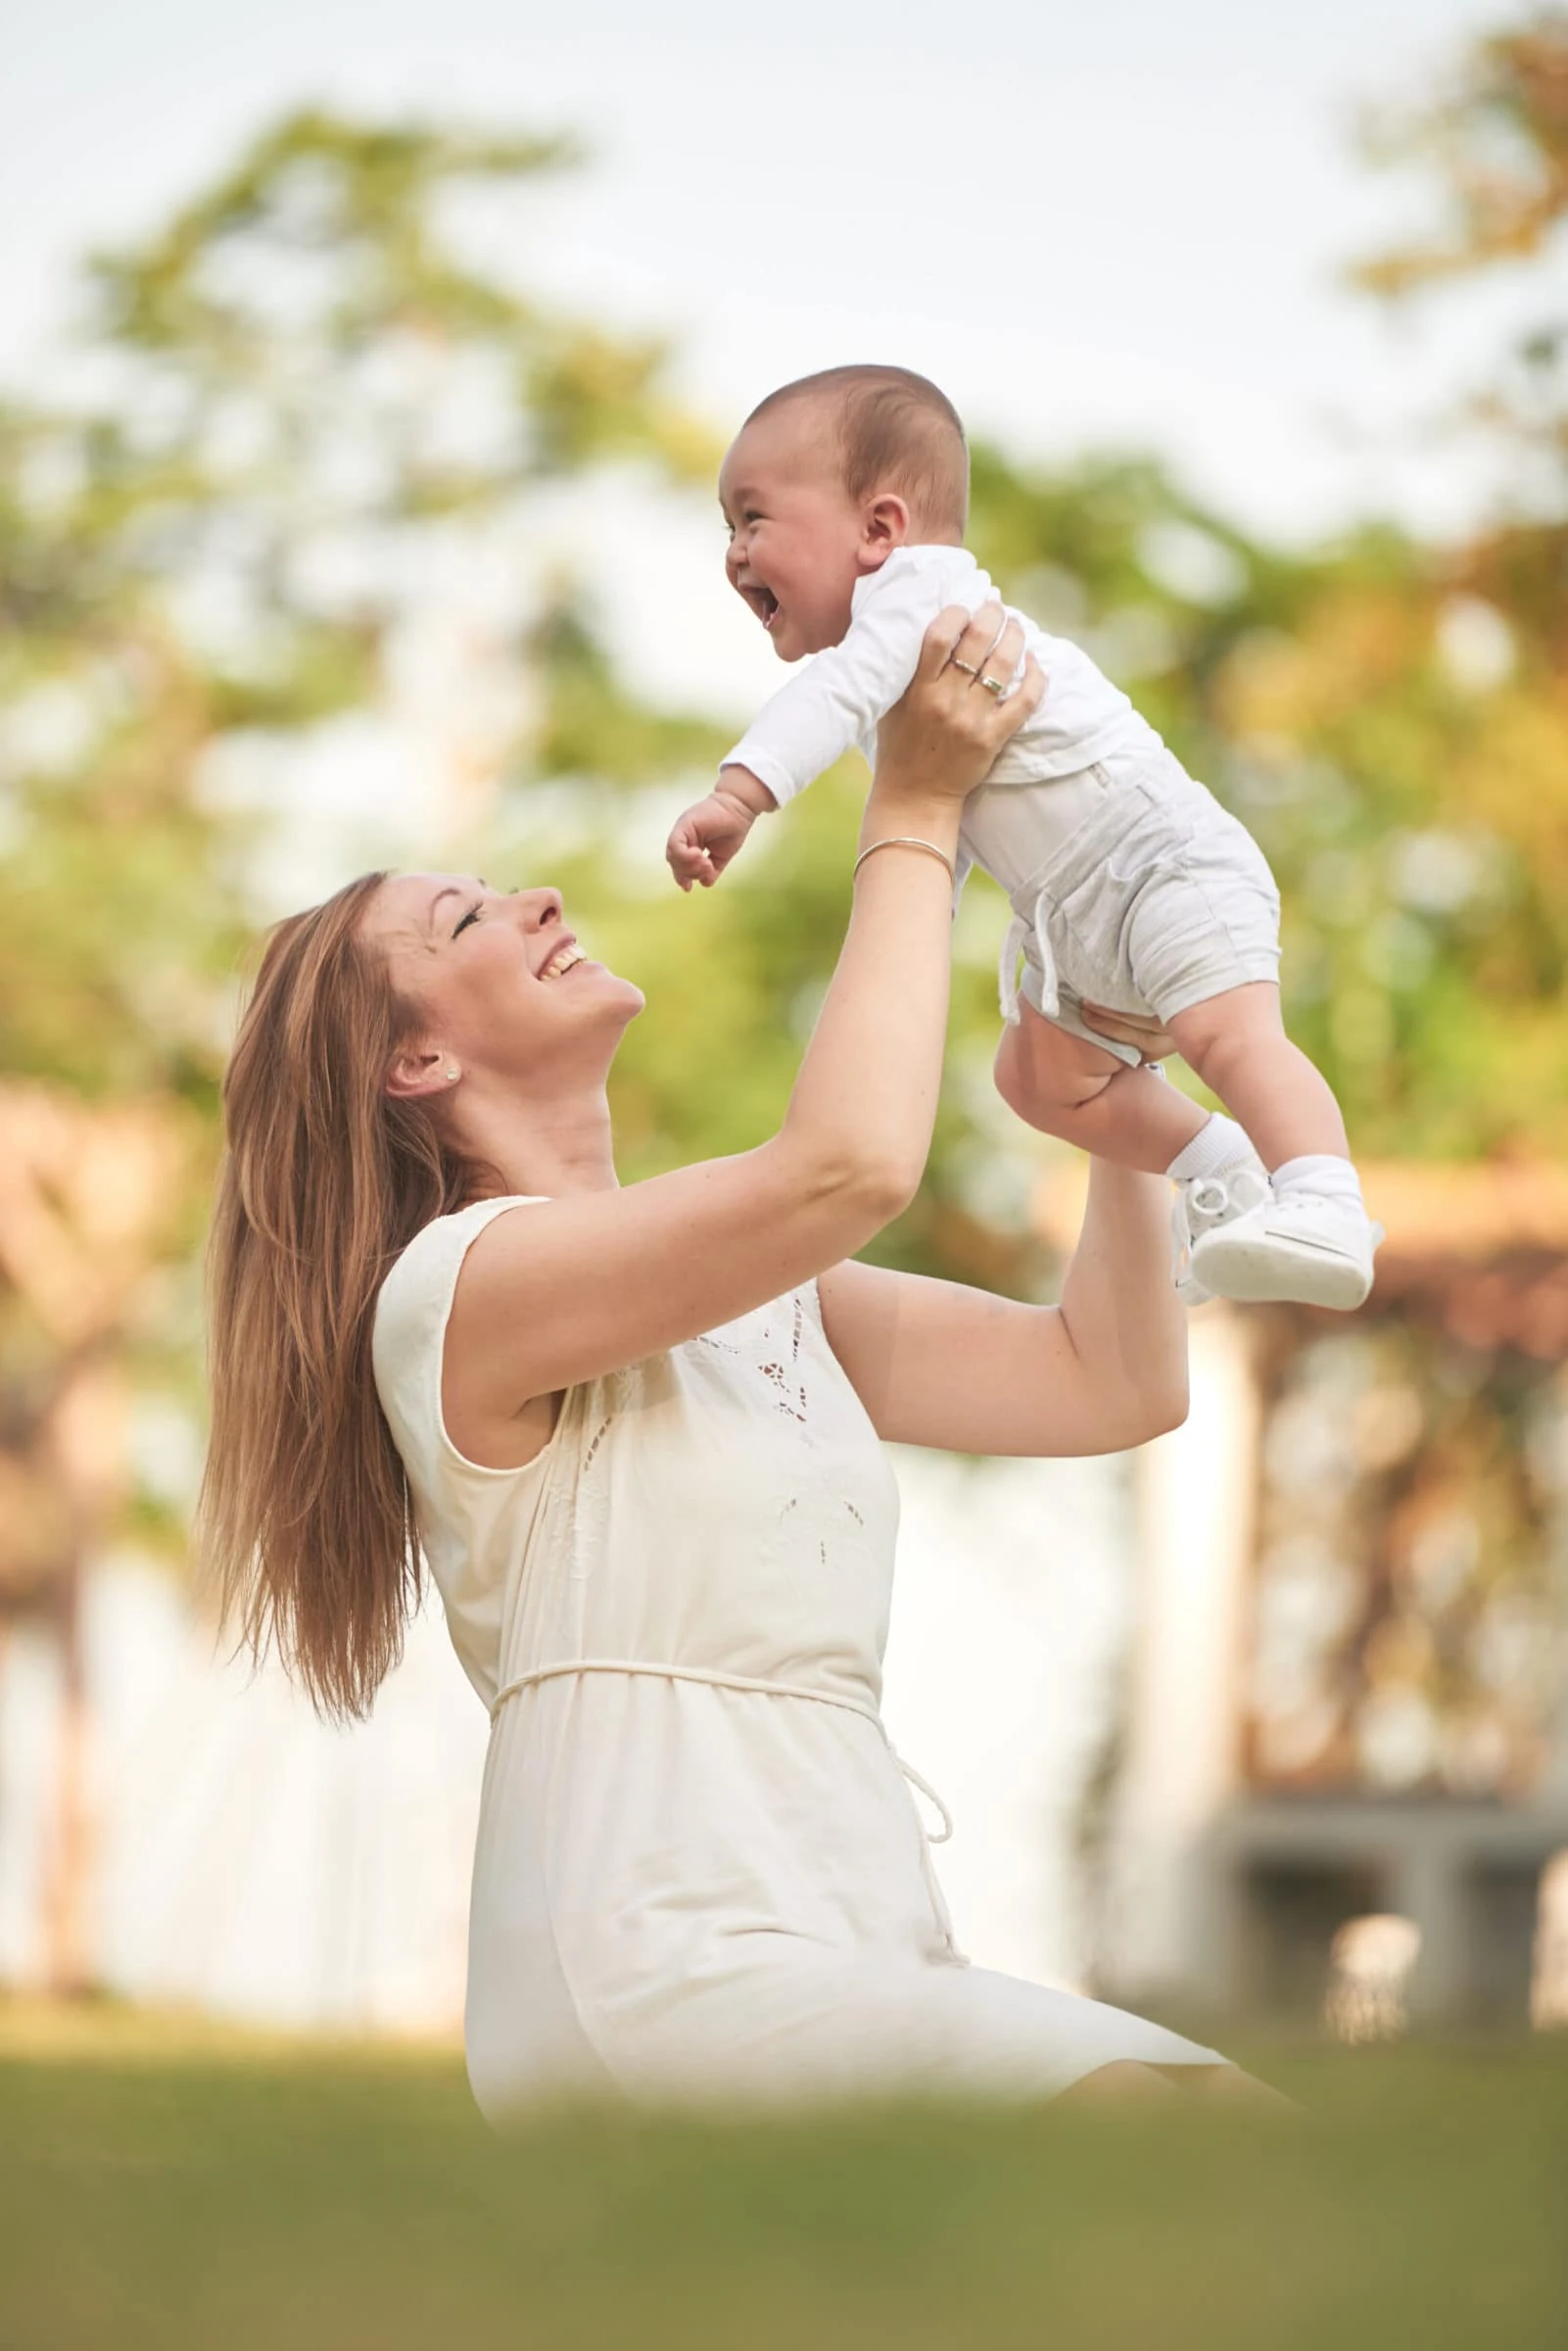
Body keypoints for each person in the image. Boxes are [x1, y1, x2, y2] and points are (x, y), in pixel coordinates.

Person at [202, 604, 1272, 2118]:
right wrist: (912, 812)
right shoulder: (457, 1290)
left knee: (1243, 2165)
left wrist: (1116, 1080)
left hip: (857, 1930)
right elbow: (849, 1163)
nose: (536, 898)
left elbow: (1109, 1381)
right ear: (417, 1063)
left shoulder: (764, 1300)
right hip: (649, 1956)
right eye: (466, 921)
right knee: (1197, 2135)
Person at [665, 363, 1381, 1314]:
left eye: (751, 520)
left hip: (1155, 861)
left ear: (879, 530)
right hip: (1069, 926)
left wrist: (739, 794)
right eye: (726, 529)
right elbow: (936, 831)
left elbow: (826, 700)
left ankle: (1325, 1199)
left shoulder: (915, 597)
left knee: (1229, 1035)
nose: (733, 554)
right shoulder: (907, 668)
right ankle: (1224, 1165)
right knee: (1035, 1083)